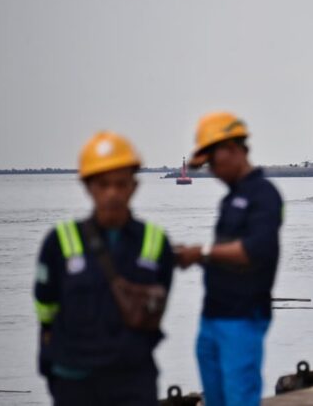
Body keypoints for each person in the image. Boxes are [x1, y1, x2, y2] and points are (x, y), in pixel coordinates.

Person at [33, 131, 174, 406]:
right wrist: (53, 365)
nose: (112, 193)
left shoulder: (155, 243)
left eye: (121, 184)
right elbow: (45, 307)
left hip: (133, 381)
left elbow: (158, 308)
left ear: (134, 186)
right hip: (74, 382)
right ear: (88, 187)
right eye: (103, 184)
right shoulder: (59, 242)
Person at [175, 111, 283, 406]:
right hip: (213, 317)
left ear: (233, 151)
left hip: (242, 318)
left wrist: (202, 253)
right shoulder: (229, 200)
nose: (213, 170)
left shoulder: (264, 195)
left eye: (214, 161)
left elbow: (256, 250)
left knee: (239, 397)